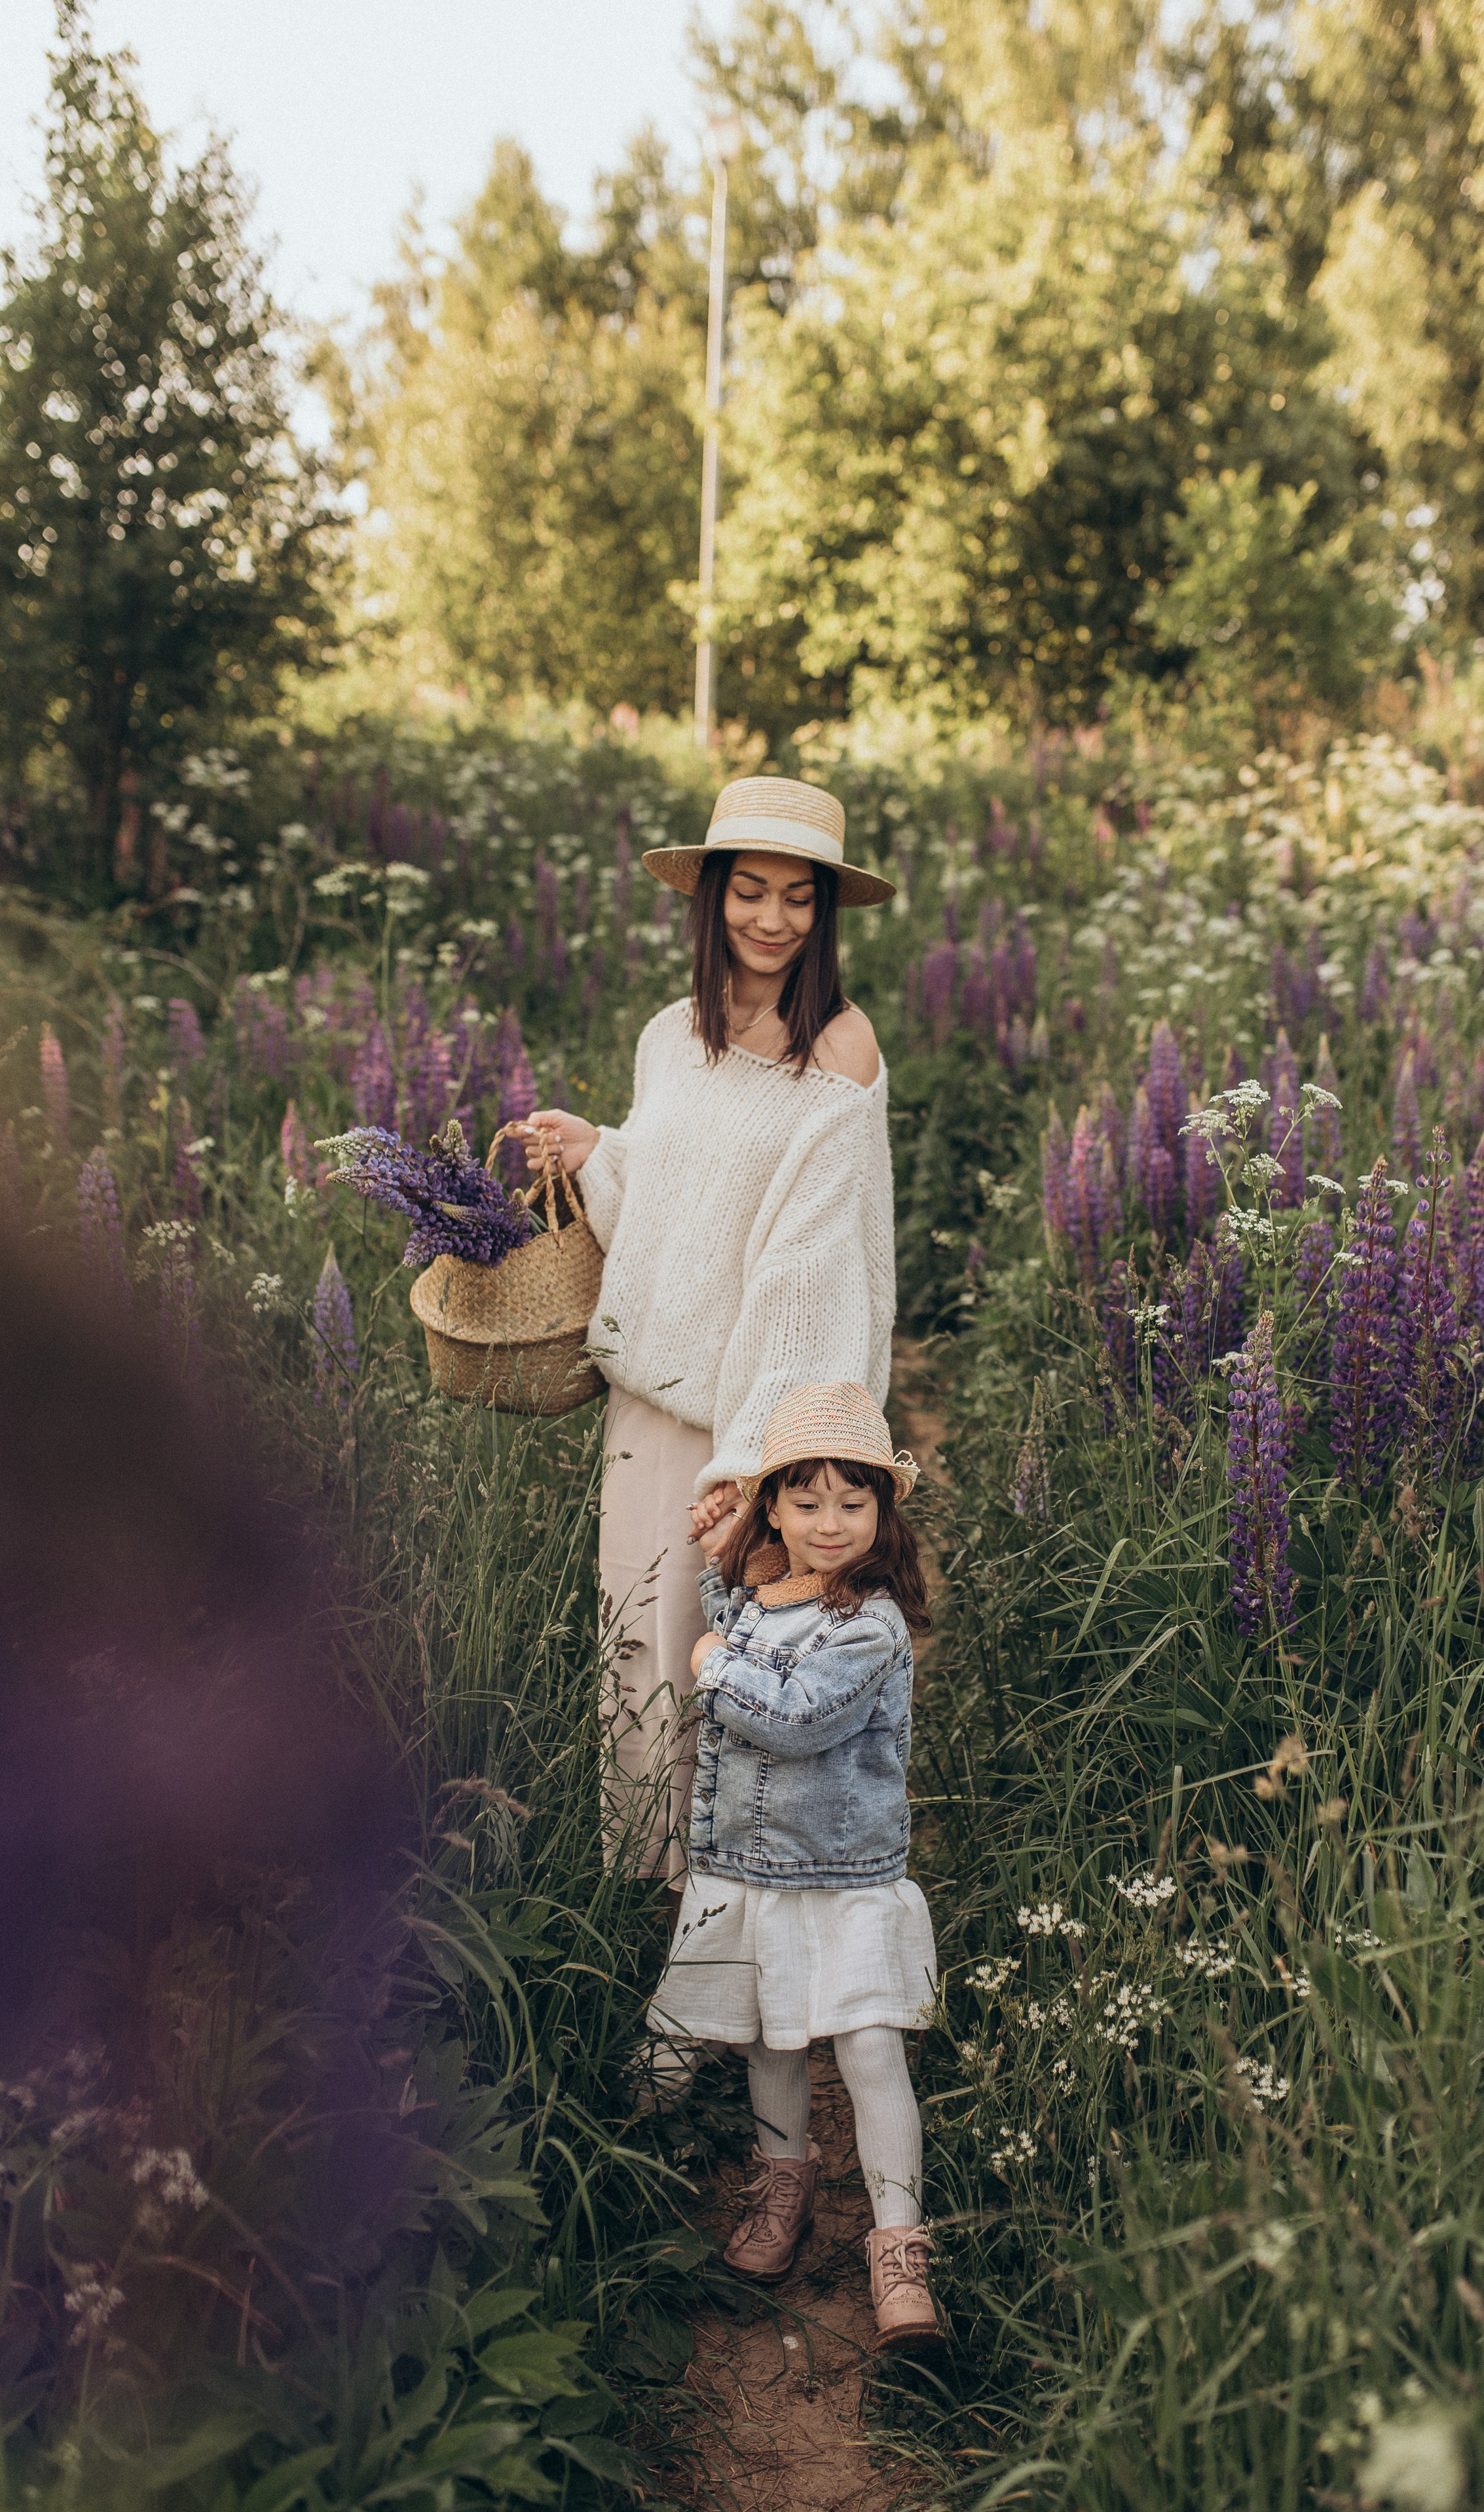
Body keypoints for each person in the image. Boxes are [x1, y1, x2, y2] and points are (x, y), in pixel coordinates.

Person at [523, 778, 897, 1888]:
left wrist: (758, 1462)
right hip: (650, 1402)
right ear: (713, 899)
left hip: (746, 1429)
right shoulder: (669, 1037)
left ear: (824, 911)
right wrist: (600, 1153)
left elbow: (812, 1268)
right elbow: (675, 1205)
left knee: (739, 1671)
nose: (773, 920)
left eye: (797, 898)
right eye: (750, 892)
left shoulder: (836, 1047)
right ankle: (650, 1898)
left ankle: (736, 1920)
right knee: (639, 1650)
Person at [645, 1381, 941, 2355]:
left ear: (882, 1512)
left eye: (853, 1504)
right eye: (806, 1503)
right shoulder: (770, 1590)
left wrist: (707, 1664)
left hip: (844, 1875)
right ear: (773, 1504)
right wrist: (716, 1545)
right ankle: (786, 2193)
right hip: (752, 1871)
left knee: (866, 2048)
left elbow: (795, 1716)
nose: (830, 1525)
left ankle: (900, 2247)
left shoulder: (874, 1623)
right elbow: (740, 1610)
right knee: (772, 2043)